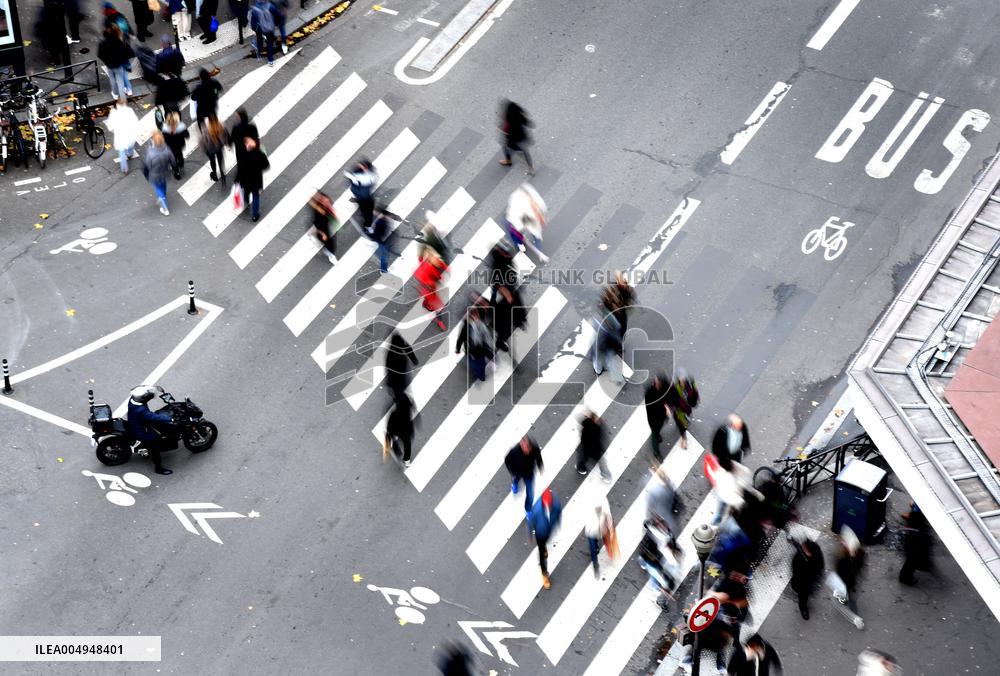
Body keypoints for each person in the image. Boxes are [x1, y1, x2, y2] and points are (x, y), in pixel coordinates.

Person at [126, 385, 174, 475]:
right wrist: (170, 419)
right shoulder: (141, 410)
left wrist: (153, 390)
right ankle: (158, 467)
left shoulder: (132, 399)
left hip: (135, 422)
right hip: (140, 430)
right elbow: (154, 417)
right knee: (155, 442)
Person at [829, 526, 866, 629]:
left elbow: (860, 566)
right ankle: (854, 615)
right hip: (845, 581)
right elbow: (839, 570)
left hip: (851, 581)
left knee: (851, 597)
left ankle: (853, 613)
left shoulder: (860, 554)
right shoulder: (842, 558)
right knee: (847, 595)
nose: (853, 552)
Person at [504, 182, 548, 263]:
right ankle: (519, 244)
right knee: (516, 235)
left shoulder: (535, 199)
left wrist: (541, 218)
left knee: (536, 235)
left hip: (529, 221)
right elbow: (515, 221)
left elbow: (541, 210)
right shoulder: (517, 202)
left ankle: (535, 248)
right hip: (516, 221)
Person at [528, 488, 561, 589]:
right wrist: (531, 535)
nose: (549, 505)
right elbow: (531, 523)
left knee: (545, 544)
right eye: (547, 503)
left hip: (549, 531)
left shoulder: (555, 503)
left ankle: (544, 548)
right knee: (542, 554)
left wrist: (558, 524)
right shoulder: (537, 510)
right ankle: (544, 574)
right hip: (540, 534)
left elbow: (558, 513)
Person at [646, 465, 682, 554]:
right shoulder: (672, 529)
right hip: (664, 500)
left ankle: (657, 471)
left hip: (663, 500)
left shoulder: (670, 530)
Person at [456, 299, 493, 383]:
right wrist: (458, 349)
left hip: (480, 348)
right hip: (472, 349)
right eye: (474, 316)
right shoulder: (466, 327)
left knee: (480, 363)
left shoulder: (480, 324)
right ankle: (480, 375)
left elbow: (485, 335)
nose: (476, 318)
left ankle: (480, 374)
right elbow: (461, 338)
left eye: (477, 316)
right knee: (477, 363)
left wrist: (488, 344)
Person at [504, 435, 543, 514]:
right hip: (518, 472)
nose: (527, 451)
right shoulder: (515, 451)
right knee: (516, 479)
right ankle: (515, 484)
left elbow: (538, 457)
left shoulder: (534, 448)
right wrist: (512, 471)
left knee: (530, 494)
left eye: (528, 449)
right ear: (521, 445)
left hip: (529, 473)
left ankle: (528, 509)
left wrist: (540, 466)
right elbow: (507, 460)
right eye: (525, 448)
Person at [790, 536, 824, 620]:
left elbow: (820, 566)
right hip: (802, 581)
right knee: (803, 596)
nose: (803, 548)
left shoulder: (815, 554)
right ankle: (803, 608)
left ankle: (803, 606)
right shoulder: (800, 555)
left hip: (808, 580)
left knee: (805, 595)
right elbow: (795, 569)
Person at [899, 502, 933, 586]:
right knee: (912, 558)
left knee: (912, 558)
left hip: (914, 532)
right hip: (915, 535)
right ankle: (905, 578)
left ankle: (905, 577)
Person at [236, 137, 270, 221]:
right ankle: (255, 215)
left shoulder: (244, 154)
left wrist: (237, 179)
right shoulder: (260, 154)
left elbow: (240, 168)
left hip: (246, 179)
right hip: (256, 179)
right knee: (255, 196)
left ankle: (246, 202)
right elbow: (266, 165)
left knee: (246, 191)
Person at [97, 23, 135, 99]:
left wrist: (106, 61)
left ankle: (115, 94)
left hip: (110, 64)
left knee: (112, 79)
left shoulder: (103, 43)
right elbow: (131, 53)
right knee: (122, 77)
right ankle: (127, 90)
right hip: (120, 64)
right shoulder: (120, 42)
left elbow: (100, 55)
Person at [664, 370, 699, 450]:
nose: (682, 379)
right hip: (678, 410)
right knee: (681, 424)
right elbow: (670, 398)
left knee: (684, 422)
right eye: (681, 378)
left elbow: (695, 396)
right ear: (678, 379)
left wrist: (694, 387)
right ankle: (684, 438)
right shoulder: (675, 387)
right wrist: (668, 407)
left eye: (684, 378)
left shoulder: (689, 386)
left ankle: (684, 433)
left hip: (687, 409)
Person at [143, 131, 175, 215]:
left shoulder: (150, 154)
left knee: (158, 188)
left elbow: (147, 166)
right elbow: (173, 162)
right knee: (163, 185)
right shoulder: (167, 150)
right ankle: (163, 195)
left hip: (155, 175)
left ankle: (165, 207)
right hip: (165, 173)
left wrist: (146, 175)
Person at [499, 100, 534, 175]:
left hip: (512, 139)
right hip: (522, 136)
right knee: (525, 151)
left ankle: (508, 161)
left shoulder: (509, 119)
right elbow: (529, 123)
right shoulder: (520, 116)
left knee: (505, 147)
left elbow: (505, 129)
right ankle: (531, 168)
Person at [106, 97, 140, 175]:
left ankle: (124, 169)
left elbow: (110, 125)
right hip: (129, 134)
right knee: (130, 146)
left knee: (121, 152)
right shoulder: (129, 111)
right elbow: (135, 121)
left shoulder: (114, 112)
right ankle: (130, 154)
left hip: (120, 136)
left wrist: (113, 129)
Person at [591, 305, 624, 385]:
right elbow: (617, 336)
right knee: (611, 362)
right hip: (607, 346)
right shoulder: (613, 326)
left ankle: (598, 371)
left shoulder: (597, 321)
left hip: (599, 345)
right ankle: (617, 378)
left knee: (598, 359)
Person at [491, 283, 526, 355]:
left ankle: (519, 322)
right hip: (502, 318)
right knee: (505, 330)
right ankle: (500, 342)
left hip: (509, 312)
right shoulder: (501, 301)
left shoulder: (513, 295)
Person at [576, 410, 611, 482]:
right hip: (597, 450)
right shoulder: (599, 426)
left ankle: (581, 469)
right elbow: (603, 438)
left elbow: (583, 437)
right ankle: (607, 477)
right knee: (602, 463)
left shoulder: (587, 424)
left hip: (587, 448)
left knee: (583, 459)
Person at [345, 159, 378, 232]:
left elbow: (350, 178)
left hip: (364, 194)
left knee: (367, 210)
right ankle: (367, 225)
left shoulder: (367, 175)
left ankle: (367, 225)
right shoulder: (361, 174)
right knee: (367, 212)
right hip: (363, 196)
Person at [366, 206, 402, 273]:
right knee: (384, 251)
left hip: (383, 237)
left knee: (384, 252)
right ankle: (384, 268)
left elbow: (380, 233)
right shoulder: (380, 219)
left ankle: (384, 268)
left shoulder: (381, 220)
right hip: (382, 237)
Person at [583, 497, 613, 577]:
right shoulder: (590, 512)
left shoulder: (605, 508)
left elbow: (609, 518)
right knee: (593, 550)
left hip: (600, 531)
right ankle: (596, 567)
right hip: (592, 533)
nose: (598, 509)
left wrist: (610, 529)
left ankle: (600, 550)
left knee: (595, 546)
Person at [384, 392, 415, 467]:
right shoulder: (407, 411)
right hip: (406, 429)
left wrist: (389, 432)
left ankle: (398, 453)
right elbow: (412, 405)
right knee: (407, 444)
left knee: (394, 441)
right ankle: (407, 460)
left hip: (396, 429)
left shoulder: (394, 414)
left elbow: (389, 425)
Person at [384, 332, 418, 401]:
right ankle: (401, 399)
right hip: (401, 370)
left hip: (397, 373)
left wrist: (389, 381)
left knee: (398, 388)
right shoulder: (399, 347)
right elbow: (408, 349)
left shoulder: (390, 352)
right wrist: (414, 360)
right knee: (400, 387)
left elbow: (388, 367)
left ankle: (400, 399)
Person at [644, 372, 669, 461]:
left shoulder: (665, 386)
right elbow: (651, 406)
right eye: (657, 382)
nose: (657, 384)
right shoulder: (649, 392)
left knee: (658, 429)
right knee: (654, 433)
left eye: (659, 383)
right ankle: (656, 452)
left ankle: (657, 435)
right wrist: (664, 405)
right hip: (653, 417)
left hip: (662, 415)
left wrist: (667, 405)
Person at [309, 190, 339, 264]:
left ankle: (330, 252)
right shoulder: (319, 213)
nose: (327, 202)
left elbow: (331, 212)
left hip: (328, 226)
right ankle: (331, 255)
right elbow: (317, 224)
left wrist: (334, 217)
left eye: (327, 201)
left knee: (331, 242)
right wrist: (322, 234)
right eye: (324, 202)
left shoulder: (326, 206)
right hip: (323, 230)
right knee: (330, 244)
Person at [201, 114, 229, 186]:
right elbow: (226, 134)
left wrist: (205, 149)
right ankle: (222, 175)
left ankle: (214, 175)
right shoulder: (221, 125)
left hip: (210, 148)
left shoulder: (206, 128)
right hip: (219, 147)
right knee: (220, 161)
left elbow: (204, 140)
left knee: (212, 161)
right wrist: (225, 143)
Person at [161, 111, 189, 180]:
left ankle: (177, 172)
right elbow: (187, 136)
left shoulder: (165, 128)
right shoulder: (181, 126)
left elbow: (164, 139)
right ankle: (181, 163)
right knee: (179, 154)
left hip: (171, 146)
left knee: (173, 159)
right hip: (180, 144)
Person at [249, 0, 276, 65]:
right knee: (269, 43)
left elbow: (253, 21)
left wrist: (254, 28)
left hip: (259, 28)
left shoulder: (255, 8)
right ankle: (270, 60)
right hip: (268, 28)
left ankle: (259, 51)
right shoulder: (270, 6)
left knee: (259, 39)